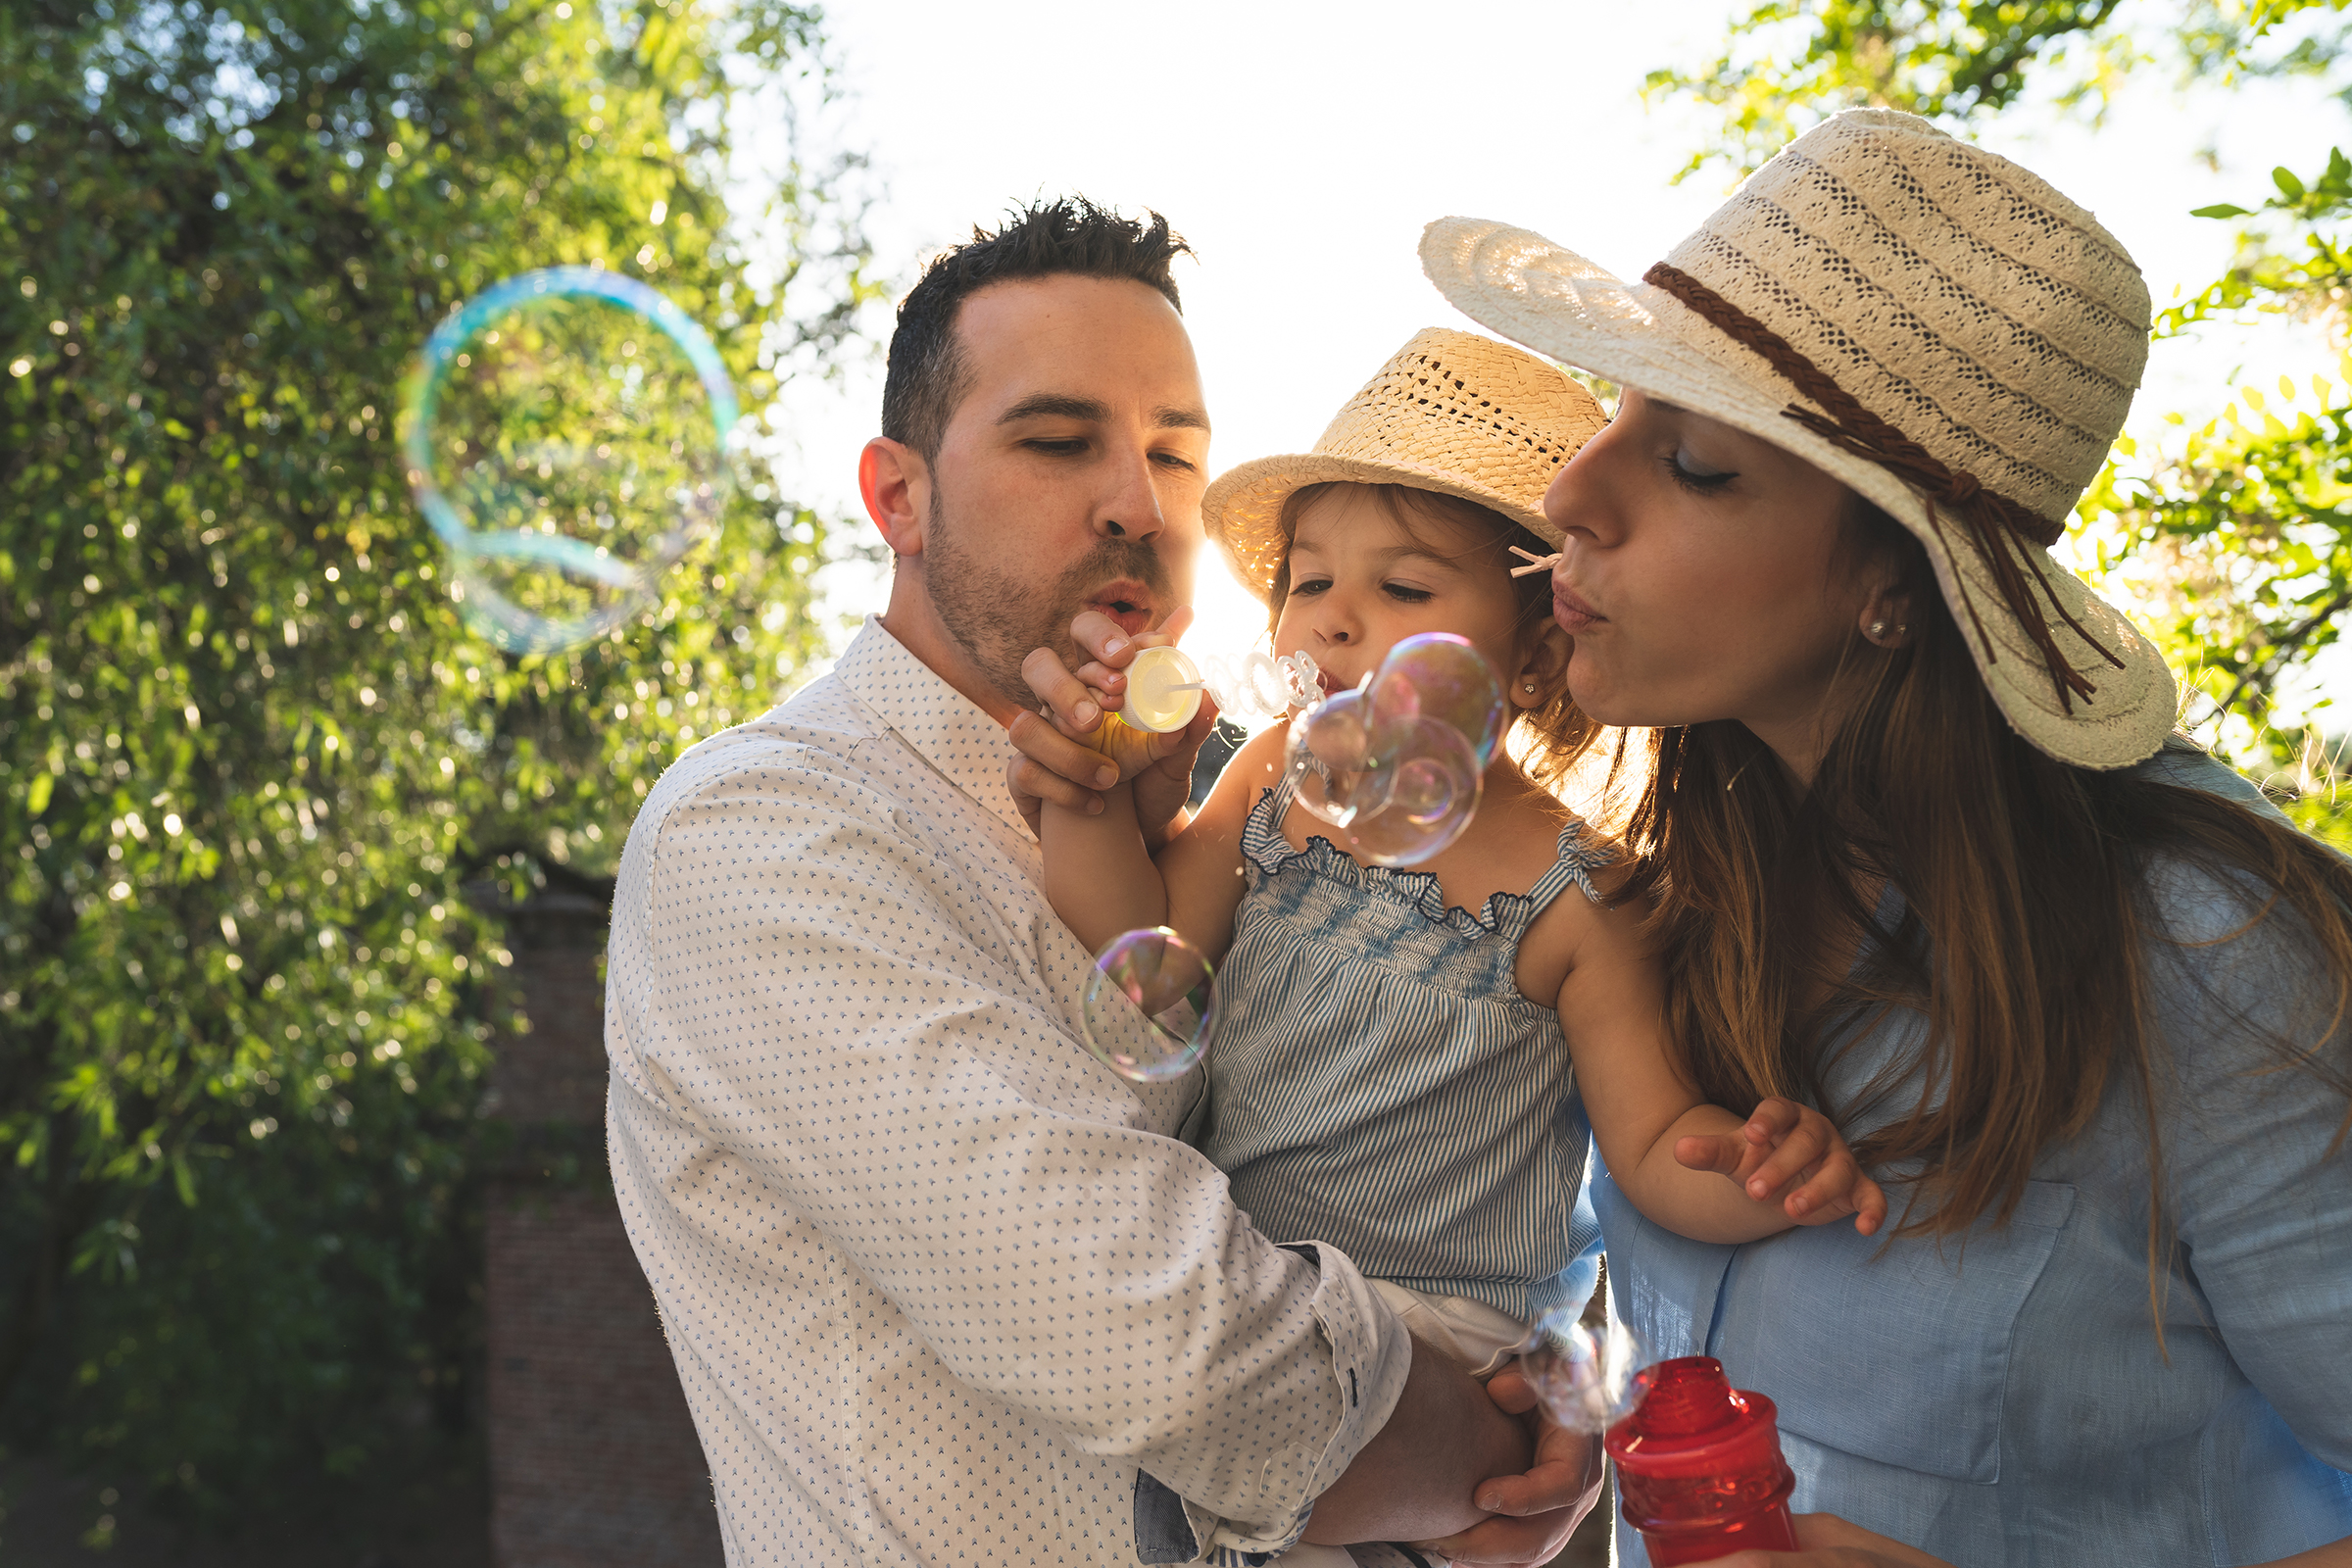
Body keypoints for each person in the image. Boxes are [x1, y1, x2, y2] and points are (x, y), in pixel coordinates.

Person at [1401, 109, 2352, 1565]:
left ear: (1896, 588)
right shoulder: (1672, 902)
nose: (1569, 493)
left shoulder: (2212, 950)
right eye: (1618, 415)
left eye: (1698, 464)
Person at [603, 198, 1598, 1568]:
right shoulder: (764, 831)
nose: (1138, 503)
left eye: (1177, 455)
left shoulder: (1262, 817)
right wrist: (1503, 1461)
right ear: (898, 494)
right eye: (1060, 441)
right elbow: (1157, 1333)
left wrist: (1557, 1363)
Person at [1032, 330, 1886, 1566]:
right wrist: (1087, 796)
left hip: (1454, 1358)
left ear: (1537, 652)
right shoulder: (1273, 785)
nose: (1333, 619)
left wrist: (1761, 1170)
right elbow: (1145, 955)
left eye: (1407, 591)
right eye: (1309, 581)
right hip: (1252, 1298)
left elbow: (1649, 1147)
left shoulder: (1580, 896)